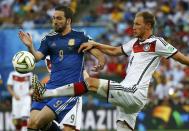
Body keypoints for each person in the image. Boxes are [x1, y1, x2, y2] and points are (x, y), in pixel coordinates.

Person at [32, 11, 189, 131]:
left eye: (137, 24)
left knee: (90, 83)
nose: (133, 27)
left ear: (148, 26)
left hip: (133, 92)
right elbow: (114, 51)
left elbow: (183, 59)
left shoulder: (157, 43)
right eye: (133, 24)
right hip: (129, 101)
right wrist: (95, 44)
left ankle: (47, 93)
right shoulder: (134, 43)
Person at [18, 5, 105, 131]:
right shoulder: (48, 39)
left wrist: (101, 59)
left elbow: (96, 51)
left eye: (59, 18)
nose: (55, 21)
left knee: (38, 122)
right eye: (54, 18)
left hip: (68, 91)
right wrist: (30, 46)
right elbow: (37, 57)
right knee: (32, 124)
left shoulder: (80, 37)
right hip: (48, 89)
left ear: (68, 21)